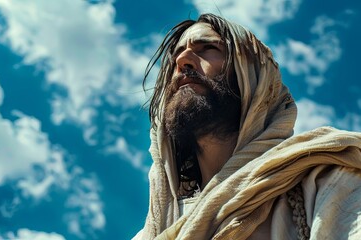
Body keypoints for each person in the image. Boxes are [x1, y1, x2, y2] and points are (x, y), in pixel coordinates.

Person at [134, 13, 361, 239]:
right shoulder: (152, 232)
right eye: (176, 56)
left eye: (208, 48)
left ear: (252, 76)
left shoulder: (326, 181)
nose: (183, 61)